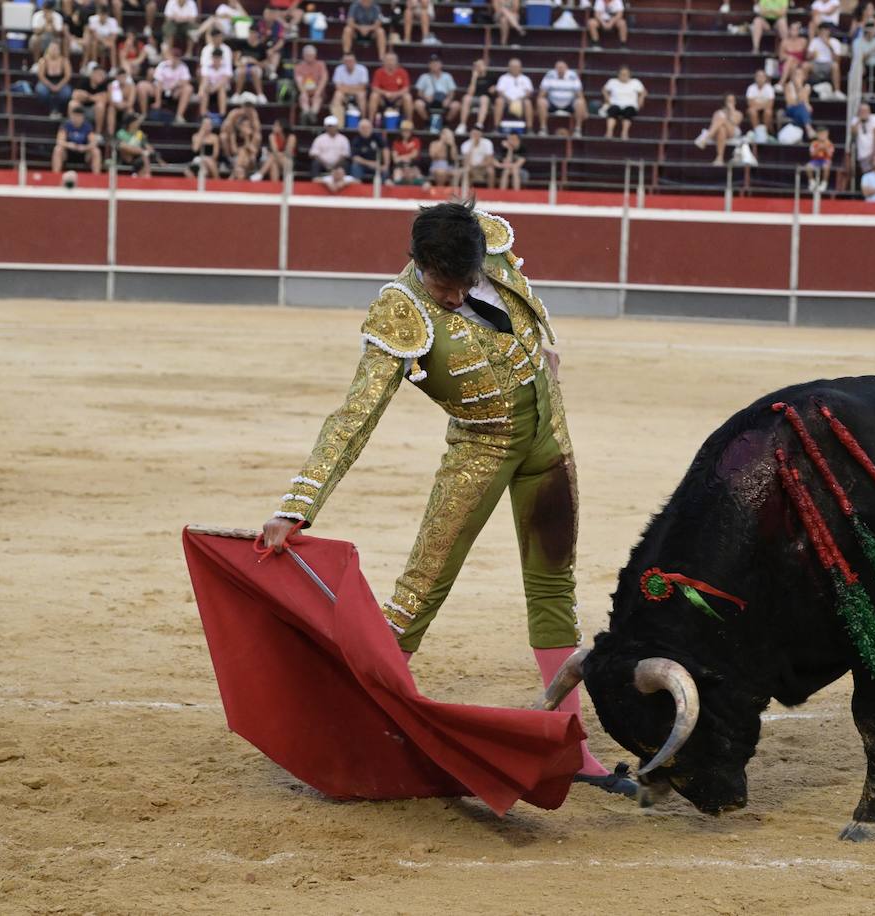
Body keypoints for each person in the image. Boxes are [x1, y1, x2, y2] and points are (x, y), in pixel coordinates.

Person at [260, 204, 635, 797]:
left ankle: (577, 751)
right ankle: (345, 739)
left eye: (465, 282)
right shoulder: (400, 311)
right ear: (419, 262)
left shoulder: (490, 244)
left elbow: (528, 309)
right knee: (416, 597)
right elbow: (356, 416)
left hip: (549, 443)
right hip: (479, 452)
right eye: (444, 285)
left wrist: (544, 352)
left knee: (552, 586)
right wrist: (297, 504)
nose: (456, 296)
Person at [138, 45, 193, 123]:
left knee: (188, 88)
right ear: (170, 56)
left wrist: (176, 85)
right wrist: (158, 101)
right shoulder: (163, 65)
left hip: (174, 92)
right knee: (141, 86)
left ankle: (179, 116)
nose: (175, 59)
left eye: (177, 57)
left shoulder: (183, 67)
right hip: (160, 90)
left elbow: (186, 81)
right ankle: (143, 114)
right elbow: (158, 83)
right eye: (174, 56)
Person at [536, 60, 588, 137]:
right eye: (558, 68)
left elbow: (579, 94)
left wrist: (585, 109)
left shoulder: (573, 76)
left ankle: (578, 130)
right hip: (552, 104)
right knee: (541, 101)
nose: (560, 69)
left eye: (562, 67)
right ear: (555, 69)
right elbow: (542, 94)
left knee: (580, 102)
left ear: (566, 68)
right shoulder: (550, 75)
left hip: (569, 104)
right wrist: (537, 107)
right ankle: (543, 129)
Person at [694, 93, 743, 166]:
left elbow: (734, 122)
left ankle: (705, 138)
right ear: (725, 102)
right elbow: (714, 125)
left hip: (732, 131)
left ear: (735, 102)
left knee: (722, 120)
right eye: (728, 101)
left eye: (732, 101)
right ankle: (719, 158)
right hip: (719, 133)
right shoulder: (718, 112)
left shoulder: (738, 113)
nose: (730, 103)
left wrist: (731, 111)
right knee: (721, 129)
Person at [51, 106, 102, 174]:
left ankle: (96, 177)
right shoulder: (66, 125)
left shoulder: (87, 126)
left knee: (96, 151)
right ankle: (55, 174)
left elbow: (94, 143)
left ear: (83, 117)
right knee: (57, 149)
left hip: (83, 152)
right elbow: (59, 141)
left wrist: (85, 147)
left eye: (79, 116)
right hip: (68, 152)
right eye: (75, 116)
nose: (77, 119)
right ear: (71, 116)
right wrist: (68, 145)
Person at [602, 65, 646, 139]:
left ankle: (624, 133)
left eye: (626, 74)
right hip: (615, 104)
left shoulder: (635, 82)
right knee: (612, 111)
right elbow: (604, 90)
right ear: (618, 74)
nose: (624, 76)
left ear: (629, 75)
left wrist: (641, 100)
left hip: (630, 104)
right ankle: (609, 132)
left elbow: (643, 92)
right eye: (622, 74)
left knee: (629, 112)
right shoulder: (612, 82)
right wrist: (607, 100)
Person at [415, 55, 457, 130]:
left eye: (436, 63)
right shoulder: (424, 76)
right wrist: (425, 97)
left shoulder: (447, 76)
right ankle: (427, 122)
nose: (434, 65)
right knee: (418, 103)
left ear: (441, 64)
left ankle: (445, 123)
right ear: (429, 65)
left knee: (456, 105)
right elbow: (419, 92)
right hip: (429, 100)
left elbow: (452, 92)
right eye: (432, 63)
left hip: (443, 100)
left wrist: (448, 99)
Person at [455, 58, 494, 135]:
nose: (479, 67)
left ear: (485, 66)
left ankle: (479, 125)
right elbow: (470, 93)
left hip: (486, 101)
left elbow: (492, 91)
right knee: (466, 98)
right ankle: (462, 125)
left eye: (480, 65)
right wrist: (474, 78)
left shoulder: (490, 77)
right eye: (477, 66)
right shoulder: (472, 77)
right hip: (474, 98)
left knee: (484, 98)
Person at [493, 58, 535, 128]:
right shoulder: (503, 78)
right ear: (509, 68)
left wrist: (519, 100)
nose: (514, 68)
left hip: (521, 101)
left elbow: (529, 92)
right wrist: (508, 100)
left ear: (520, 68)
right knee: (499, 101)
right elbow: (500, 92)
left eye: (516, 67)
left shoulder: (525, 78)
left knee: (528, 102)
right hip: (506, 101)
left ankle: (529, 128)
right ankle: (496, 127)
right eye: (512, 67)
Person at [35, 44, 74, 118]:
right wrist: (51, 86)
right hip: (46, 82)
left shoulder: (64, 61)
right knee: (41, 91)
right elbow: (41, 76)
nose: (54, 51)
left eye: (56, 49)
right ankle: (50, 109)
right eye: (52, 49)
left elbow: (68, 76)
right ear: (48, 50)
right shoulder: (43, 61)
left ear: (59, 50)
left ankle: (58, 109)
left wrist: (59, 86)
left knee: (66, 93)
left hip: (61, 82)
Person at [293, 44, 329, 125]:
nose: (309, 57)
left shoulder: (321, 65)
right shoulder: (298, 67)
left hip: (317, 90)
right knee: (303, 97)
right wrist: (303, 92)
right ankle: (306, 113)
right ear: (304, 55)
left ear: (315, 55)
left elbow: (324, 78)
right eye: (307, 55)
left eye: (311, 55)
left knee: (317, 98)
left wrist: (318, 92)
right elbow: (298, 81)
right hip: (305, 90)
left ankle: (312, 113)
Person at [806, 22, 845, 96]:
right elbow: (808, 57)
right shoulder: (815, 41)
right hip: (816, 64)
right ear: (819, 31)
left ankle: (837, 91)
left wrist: (829, 45)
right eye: (822, 30)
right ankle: (803, 88)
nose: (823, 32)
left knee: (835, 66)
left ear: (829, 31)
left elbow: (837, 60)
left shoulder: (835, 42)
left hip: (829, 65)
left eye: (825, 30)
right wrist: (811, 55)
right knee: (805, 65)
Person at [330, 52, 370, 122]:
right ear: (343, 62)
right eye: (346, 61)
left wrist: (346, 87)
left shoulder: (362, 69)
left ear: (355, 61)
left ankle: (363, 120)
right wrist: (354, 88)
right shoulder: (339, 69)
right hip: (344, 94)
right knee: (337, 95)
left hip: (357, 93)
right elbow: (338, 87)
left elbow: (363, 87)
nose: (349, 63)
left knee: (362, 94)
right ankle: (338, 122)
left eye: (351, 61)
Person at [197, 45, 232, 118]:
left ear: (221, 58)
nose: (216, 59)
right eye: (214, 57)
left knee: (221, 89)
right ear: (212, 58)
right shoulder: (207, 67)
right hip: (210, 88)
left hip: (222, 88)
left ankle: (222, 114)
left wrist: (214, 88)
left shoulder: (226, 66)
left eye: (218, 58)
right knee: (205, 89)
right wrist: (201, 90)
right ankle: (202, 114)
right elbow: (205, 80)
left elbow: (224, 80)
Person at [349, 117, 387, 181]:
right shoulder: (356, 140)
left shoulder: (377, 138)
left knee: (385, 171)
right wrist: (369, 163)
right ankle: (357, 186)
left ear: (371, 128)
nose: (365, 130)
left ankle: (385, 188)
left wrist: (386, 164)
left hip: (377, 165)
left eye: (367, 127)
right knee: (355, 166)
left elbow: (385, 149)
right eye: (363, 128)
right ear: (359, 129)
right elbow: (355, 157)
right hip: (363, 165)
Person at [851, 101, 875, 173]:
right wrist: (859, 120)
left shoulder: (874, 117)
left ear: (869, 111)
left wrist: (874, 151)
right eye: (862, 110)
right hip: (863, 153)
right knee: (866, 173)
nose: (864, 112)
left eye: (866, 110)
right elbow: (853, 134)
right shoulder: (855, 120)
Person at [387, 119, 423, 185]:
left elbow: (414, 155)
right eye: (404, 130)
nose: (406, 132)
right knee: (397, 175)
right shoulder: (396, 142)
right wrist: (407, 157)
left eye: (408, 130)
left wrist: (401, 157)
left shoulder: (415, 140)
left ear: (411, 131)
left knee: (418, 176)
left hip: (412, 165)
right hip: (399, 166)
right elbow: (395, 159)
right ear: (401, 131)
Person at [804, 125, 835, 192]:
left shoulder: (829, 144)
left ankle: (824, 183)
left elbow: (830, 155)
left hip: (826, 160)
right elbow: (811, 155)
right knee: (808, 166)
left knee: (826, 166)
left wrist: (825, 148)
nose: (822, 136)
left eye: (824, 134)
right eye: (820, 134)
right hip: (815, 160)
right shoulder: (814, 143)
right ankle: (812, 182)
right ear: (817, 135)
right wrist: (818, 149)